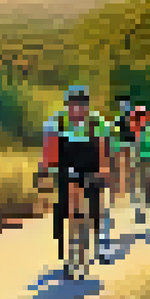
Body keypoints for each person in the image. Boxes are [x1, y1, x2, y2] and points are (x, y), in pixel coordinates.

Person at [39, 85, 111, 248]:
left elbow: (102, 148)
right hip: (67, 161)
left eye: (81, 104)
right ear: (67, 106)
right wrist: (45, 169)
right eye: (73, 104)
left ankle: (101, 239)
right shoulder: (57, 121)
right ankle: (62, 240)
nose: (77, 109)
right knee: (62, 201)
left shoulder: (96, 121)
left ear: (87, 106)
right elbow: (48, 148)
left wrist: (104, 169)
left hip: (91, 161)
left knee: (95, 200)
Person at [112, 97, 136, 207]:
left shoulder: (129, 118)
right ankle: (124, 186)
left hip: (128, 145)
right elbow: (116, 131)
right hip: (124, 145)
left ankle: (126, 186)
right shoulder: (124, 118)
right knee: (124, 166)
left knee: (126, 166)